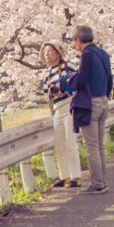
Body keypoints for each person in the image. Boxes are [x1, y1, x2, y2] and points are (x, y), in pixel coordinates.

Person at [61, 25, 112, 194]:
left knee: (91, 146)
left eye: (74, 41)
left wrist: (68, 79)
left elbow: (82, 79)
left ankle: (97, 183)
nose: (75, 45)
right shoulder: (103, 53)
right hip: (104, 101)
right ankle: (102, 181)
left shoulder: (87, 54)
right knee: (99, 145)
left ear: (78, 40)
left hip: (92, 104)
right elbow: (110, 78)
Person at [41, 39, 82, 188]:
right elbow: (46, 94)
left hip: (70, 105)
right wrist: (52, 94)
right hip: (57, 109)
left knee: (70, 143)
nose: (46, 54)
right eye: (45, 52)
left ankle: (76, 176)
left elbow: (78, 82)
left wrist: (64, 90)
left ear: (59, 53)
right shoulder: (47, 73)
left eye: (49, 51)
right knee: (59, 144)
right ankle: (65, 176)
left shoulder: (68, 66)